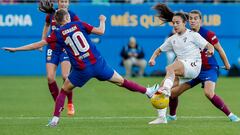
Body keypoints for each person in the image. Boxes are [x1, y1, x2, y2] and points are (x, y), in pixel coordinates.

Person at [2, 9, 160, 127]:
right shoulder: (79, 24)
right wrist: (103, 19)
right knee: (122, 81)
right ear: (68, 18)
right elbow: (101, 31)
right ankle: (148, 92)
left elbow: (40, 44)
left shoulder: (58, 34)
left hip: (81, 70)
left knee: (64, 90)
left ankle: (55, 118)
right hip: (98, 64)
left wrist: (16, 49)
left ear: (56, 22)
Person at [149, 4, 240, 124]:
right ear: (187, 21)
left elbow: (219, 49)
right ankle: (171, 115)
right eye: (190, 18)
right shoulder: (185, 33)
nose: (192, 20)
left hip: (208, 69)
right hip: (192, 69)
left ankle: (231, 115)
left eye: (195, 18)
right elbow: (183, 51)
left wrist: (227, 64)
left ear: (200, 20)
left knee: (208, 93)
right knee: (173, 93)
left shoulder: (207, 34)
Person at [148, 9, 215, 123]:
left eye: (177, 22)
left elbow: (209, 45)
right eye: (173, 23)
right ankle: (162, 118)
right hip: (183, 68)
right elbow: (159, 50)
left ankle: (167, 90)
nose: (175, 25)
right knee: (161, 88)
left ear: (184, 23)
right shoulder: (172, 39)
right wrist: (152, 58)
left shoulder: (193, 35)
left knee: (170, 68)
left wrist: (211, 51)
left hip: (193, 67)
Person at [40, 0, 80, 116]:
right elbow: (47, 25)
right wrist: (43, 40)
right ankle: (58, 103)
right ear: (58, 2)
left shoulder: (72, 16)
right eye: (61, 1)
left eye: (65, 1)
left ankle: (70, 103)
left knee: (65, 76)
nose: (63, 3)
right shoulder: (52, 14)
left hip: (65, 49)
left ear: (69, 3)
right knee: (50, 78)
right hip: (52, 48)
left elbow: (79, 29)